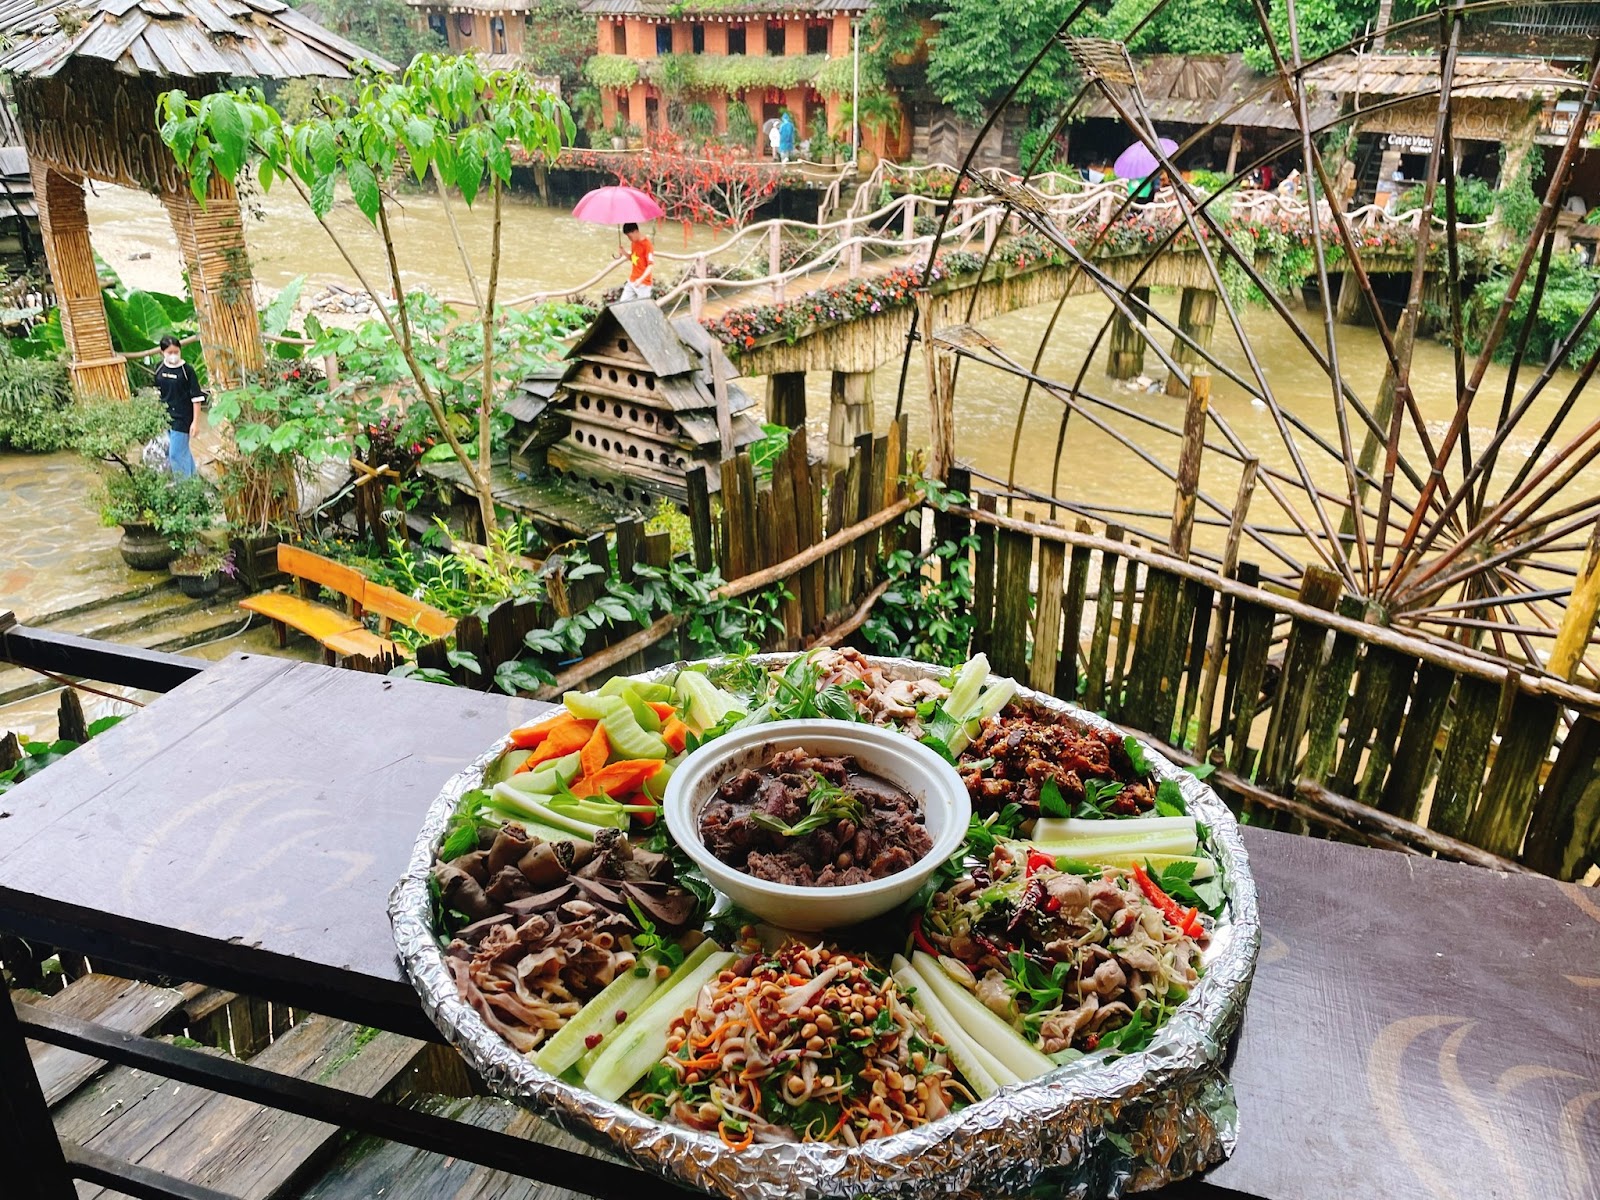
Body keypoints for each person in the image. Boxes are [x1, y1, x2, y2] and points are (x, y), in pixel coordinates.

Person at [154, 334, 204, 478]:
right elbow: (156, 392)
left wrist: (195, 422)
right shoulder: (159, 369)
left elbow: (196, 398)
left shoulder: (187, 371)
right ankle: (194, 482)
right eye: (170, 352)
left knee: (175, 454)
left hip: (183, 418)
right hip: (166, 417)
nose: (173, 355)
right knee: (182, 451)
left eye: (176, 352)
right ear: (162, 352)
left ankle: (183, 488)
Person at [618, 221, 654, 302]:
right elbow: (634, 259)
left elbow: (650, 265)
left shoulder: (647, 245)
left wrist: (641, 279)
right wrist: (624, 252)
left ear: (636, 231)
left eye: (630, 236)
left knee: (643, 308)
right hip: (632, 280)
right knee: (622, 303)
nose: (629, 239)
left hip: (644, 283)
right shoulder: (633, 243)